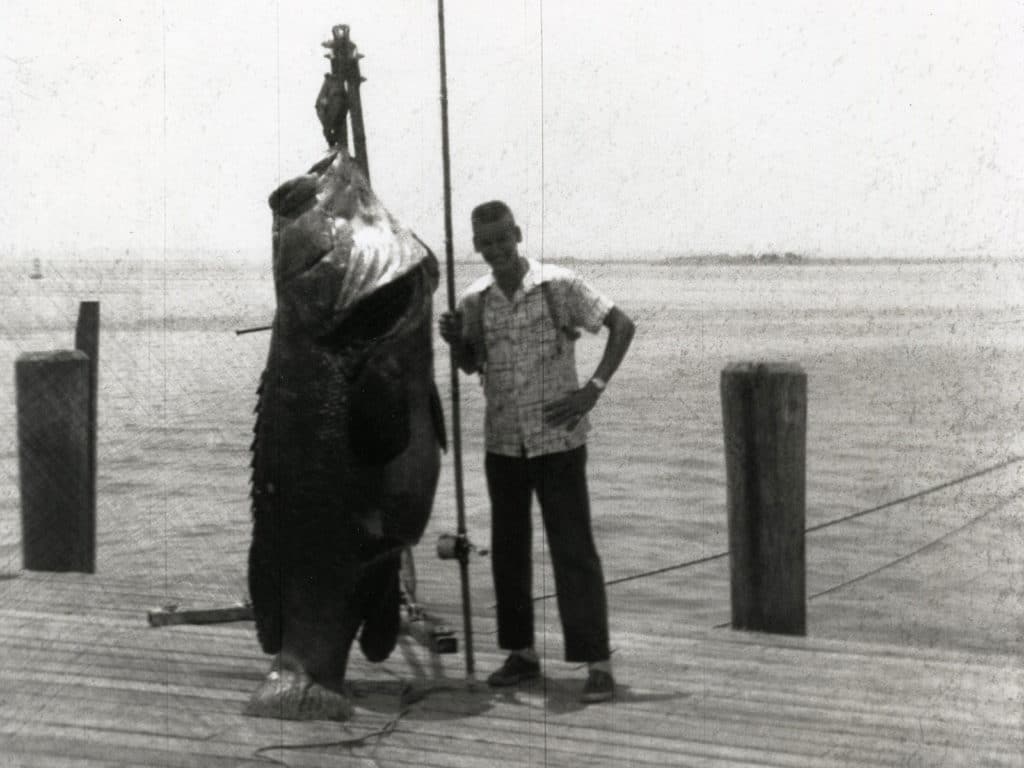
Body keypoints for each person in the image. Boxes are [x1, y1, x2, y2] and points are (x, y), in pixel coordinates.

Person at [439, 201, 635, 704]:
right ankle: (522, 655)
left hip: (559, 442)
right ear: (477, 246)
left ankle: (597, 664)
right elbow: (468, 366)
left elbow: (622, 325)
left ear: (518, 234)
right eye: (486, 243)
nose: (497, 250)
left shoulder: (559, 286)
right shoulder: (474, 300)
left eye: (504, 239)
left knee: (574, 552)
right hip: (503, 443)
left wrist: (592, 388)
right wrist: (454, 342)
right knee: (508, 552)